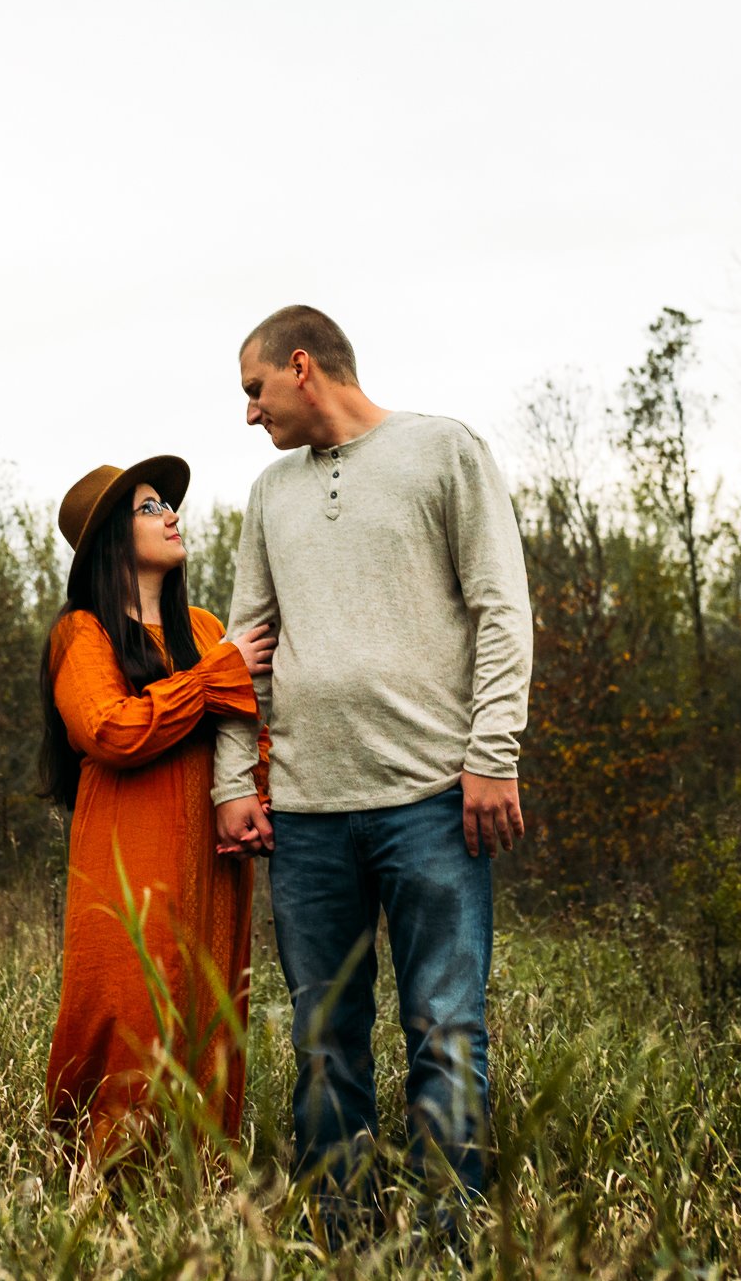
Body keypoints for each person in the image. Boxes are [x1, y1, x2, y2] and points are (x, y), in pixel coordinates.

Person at [212, 306, 533, 1214]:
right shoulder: (270, 493)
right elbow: (249, 646)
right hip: (307, 814)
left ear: (302, 366)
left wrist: (492, 753)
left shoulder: (444, 451)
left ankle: (449, 1236)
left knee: (445, 1029)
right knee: (324, 1037)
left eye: (254, 389)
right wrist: (237, 781)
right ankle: (339, 1240)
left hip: (434, 799)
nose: (249, 413)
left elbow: (500, 608)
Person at [41, 454, 277, 1165]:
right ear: (114, 535)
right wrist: (212, 681)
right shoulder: (82, 633)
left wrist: (258, 793)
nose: (172, 514)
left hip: (213, 856)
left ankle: (196, 1179)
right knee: (128, 1005)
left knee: (207, 1010)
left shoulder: (205, 629)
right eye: (150, 506)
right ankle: (100, 1178)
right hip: (127, 855)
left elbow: (252, 725)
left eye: (167, 504)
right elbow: (109, 728)